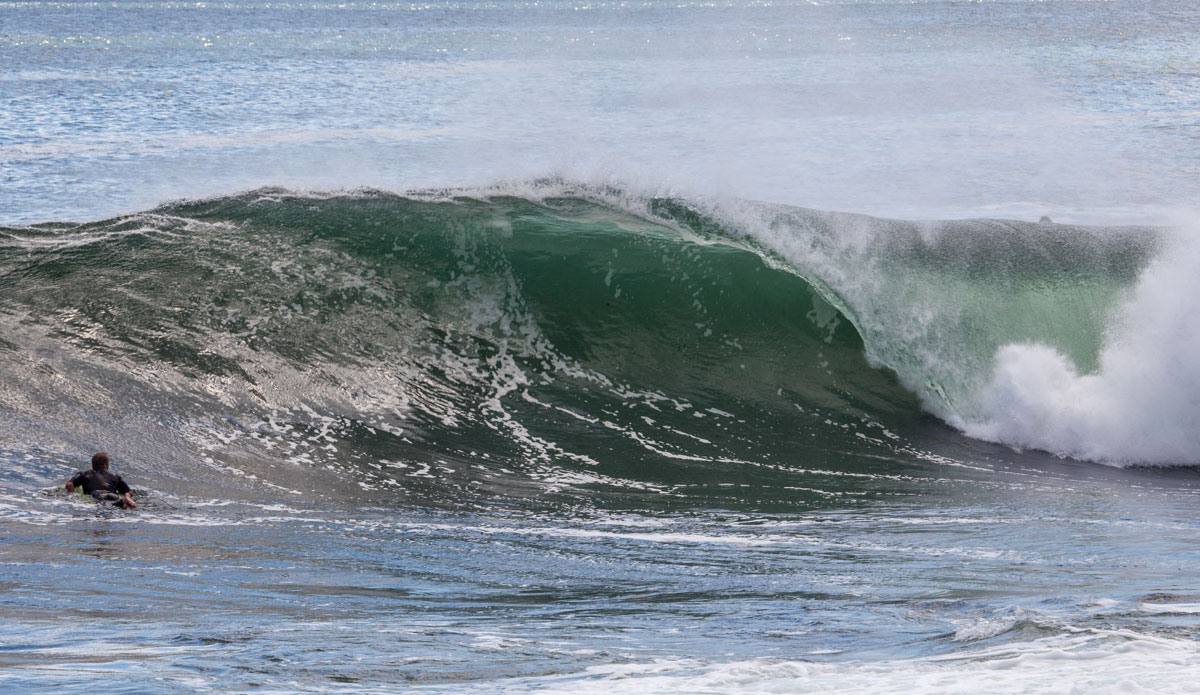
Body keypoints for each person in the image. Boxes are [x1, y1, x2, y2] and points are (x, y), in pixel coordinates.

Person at [66, 452, 137, 509]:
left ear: (93, 465)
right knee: (118, 503)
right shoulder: (116, 476)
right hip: (113, 496)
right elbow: (129, 492)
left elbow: (69, 484)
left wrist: (73, 498)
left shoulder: (84, 474)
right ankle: (126, 501)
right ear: (105, 465)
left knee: (105, 506)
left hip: (97, 495)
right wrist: (127, 496)